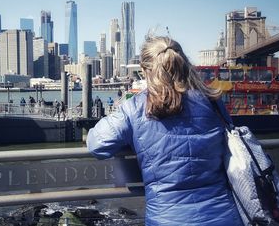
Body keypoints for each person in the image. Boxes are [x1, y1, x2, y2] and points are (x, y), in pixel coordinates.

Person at [87, 36, 243, 226]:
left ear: (145, 71)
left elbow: (97, 145)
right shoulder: (213, 101)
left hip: (167, 219)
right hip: (224, 217)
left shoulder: (135, 108)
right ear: (184, 64)